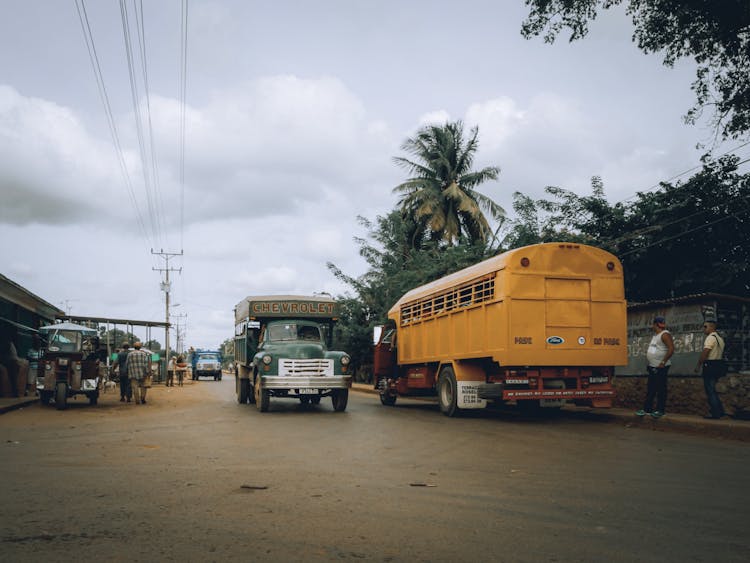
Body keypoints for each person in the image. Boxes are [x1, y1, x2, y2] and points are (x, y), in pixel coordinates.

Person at [636, 315, 674, 419]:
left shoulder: (665, 334)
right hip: (653, 366)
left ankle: (660, 410)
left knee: (661, 389)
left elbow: (671, 349)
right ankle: (647, 409)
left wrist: (663, 362)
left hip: (661, 367)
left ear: (654, 325)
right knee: (651, 388)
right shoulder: (656, 336)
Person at [695, 320, 727, 419]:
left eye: (705, 327)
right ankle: (720, 411)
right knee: (712, 389)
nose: (704, 329)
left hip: (710, 365)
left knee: (710, 390)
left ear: (712, 327)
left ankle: (715, 413)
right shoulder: (720, 338)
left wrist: (698, 365)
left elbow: (705, 352)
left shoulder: (710, 338)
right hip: (718, 365)